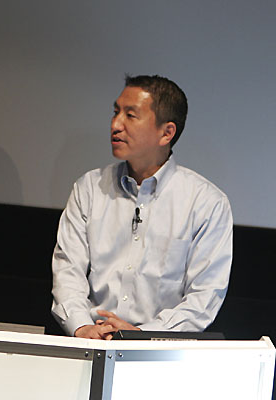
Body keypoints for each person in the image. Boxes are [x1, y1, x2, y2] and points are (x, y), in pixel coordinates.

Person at [51, 75, 232, 339]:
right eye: (115, 112)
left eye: (131, 115)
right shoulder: (89, 188)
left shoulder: (206, 203)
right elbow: (67, 271)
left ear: (166, 133)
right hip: (91, 342)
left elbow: (204, 298)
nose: (115, 125)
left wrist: (141, 335)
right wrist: (82, 327)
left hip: (160, 351)